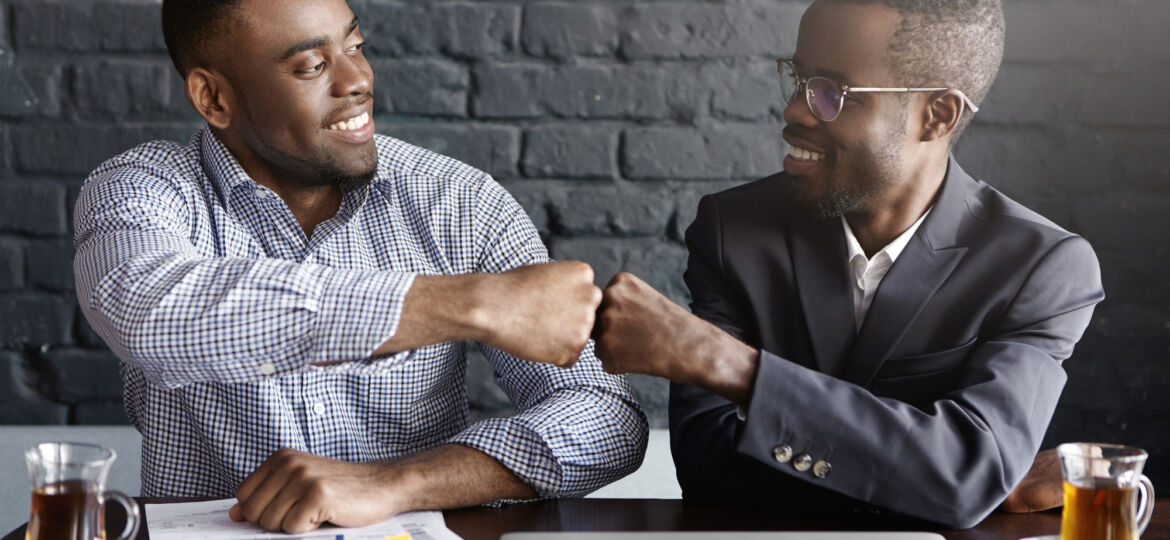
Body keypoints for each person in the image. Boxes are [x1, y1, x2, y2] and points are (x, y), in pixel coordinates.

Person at [73, 0, 647, 533]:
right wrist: (469, 305)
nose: (357, 80)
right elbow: (146, 308)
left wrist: (398, 483)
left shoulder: (459, 202)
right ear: (213, 98)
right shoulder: (140, 188)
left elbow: (606, 417)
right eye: (312, 65)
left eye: (355, 45)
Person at [592, 0, 1102, 529]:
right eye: (798, 78)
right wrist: (936, 480)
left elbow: (967, 476)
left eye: (832, 92)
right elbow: (710, 467)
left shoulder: (1042, 267)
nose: (794, 110)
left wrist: (730, 365)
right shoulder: (732, 231)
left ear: (937, 115)